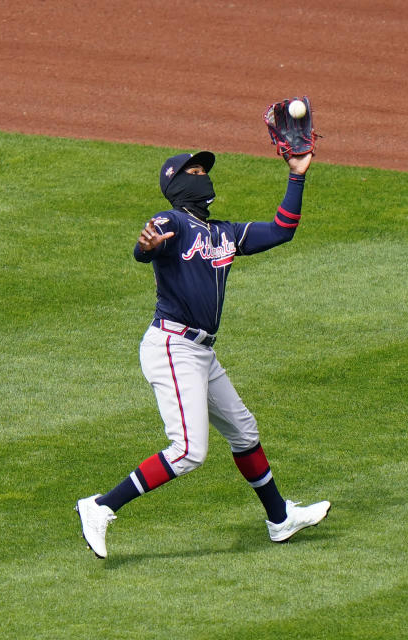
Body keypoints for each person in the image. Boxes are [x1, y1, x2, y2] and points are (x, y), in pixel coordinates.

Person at [75, 149, 329, 559]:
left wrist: (297, 176)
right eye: (194, 171)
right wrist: (147, 246)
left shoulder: (224, 233)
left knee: (245, 433)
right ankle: (101, 506)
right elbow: (147, 246)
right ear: (177, 184)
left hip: (201, 353)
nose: (202, 176)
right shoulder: (171, 221)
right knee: (189, 451)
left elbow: (283, 229)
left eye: (204, 171)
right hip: (172, 346)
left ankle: (280, 519)